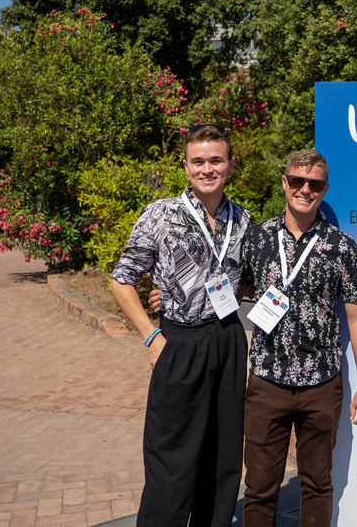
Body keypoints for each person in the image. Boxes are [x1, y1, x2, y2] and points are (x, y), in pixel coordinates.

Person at [109, 123, 251, 527]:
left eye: (216, 160)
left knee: (223, 457)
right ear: (186, 165)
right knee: (172, 458)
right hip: (178, 344)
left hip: (227, 340)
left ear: (230, 164)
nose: (208, 169)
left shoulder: (242, 219)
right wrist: (152, 336)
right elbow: (122, 280)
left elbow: (244, 281)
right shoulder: (160, 214)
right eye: (199, 161)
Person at [239, 149, 357, 527]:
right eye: (297, 181)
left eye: (314, 184)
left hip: (321, 383)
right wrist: (169, 296)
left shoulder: (341, 245)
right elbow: (231, 290)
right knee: (260, 486)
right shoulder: (256, 238)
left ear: (324, 189)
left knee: (317, 484)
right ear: (284, 182)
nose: (304, 189)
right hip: (267, 381)